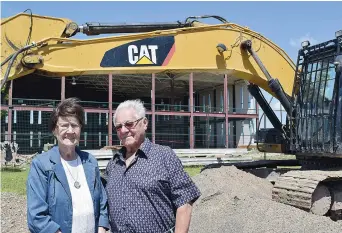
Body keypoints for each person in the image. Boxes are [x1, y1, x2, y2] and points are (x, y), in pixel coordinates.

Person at [105, 99, 201, 233]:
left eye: (129, 124)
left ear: (144, 123)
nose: (124, 130)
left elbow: (185, 202)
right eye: (118, 127)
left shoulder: (164, 156)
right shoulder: (113, 164)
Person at [26, 97, 109, 233]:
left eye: (75, 125)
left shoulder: (90, 162)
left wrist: (101, 228)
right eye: (64, 125)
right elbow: (36, 216)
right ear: (54, 130)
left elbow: (102, 203)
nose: (70, 131)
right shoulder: (41, 165)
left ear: (80, 129)